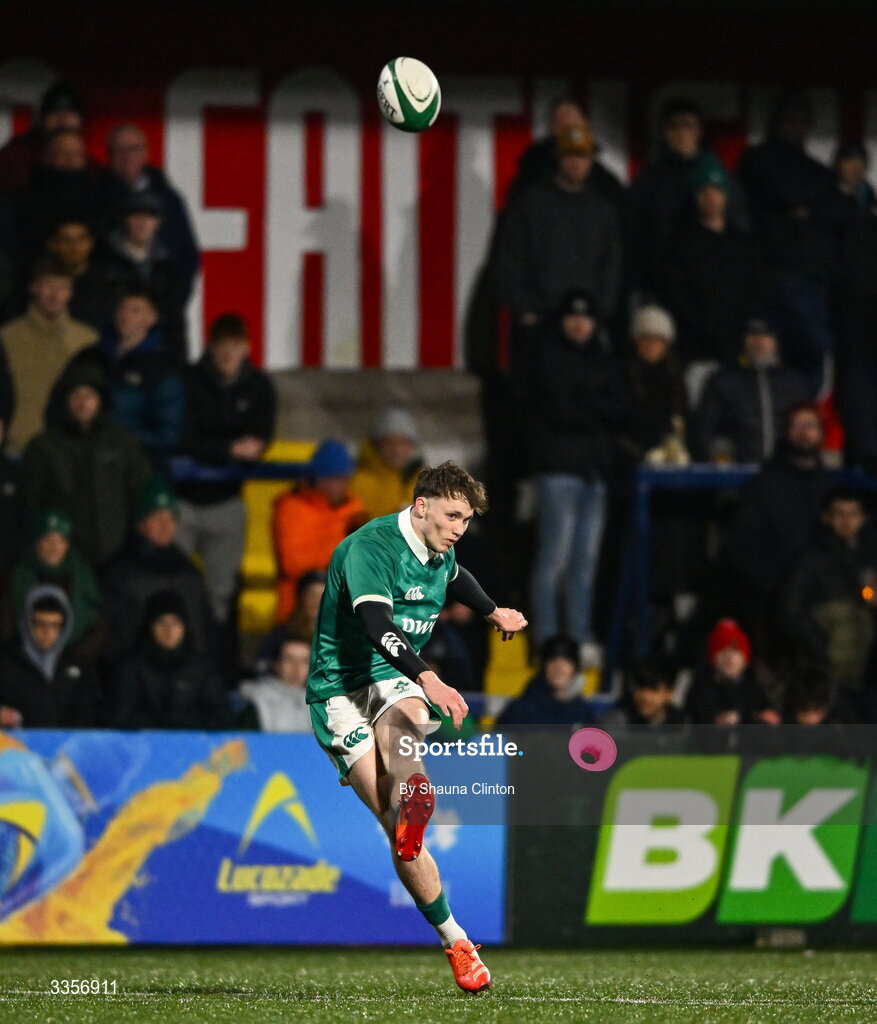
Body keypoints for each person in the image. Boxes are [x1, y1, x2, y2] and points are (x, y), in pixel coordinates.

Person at [307, 461, 526, 991]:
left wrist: (491, 611)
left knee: (404, 730)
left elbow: (456, 579)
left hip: (394, 679)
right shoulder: (372, 547)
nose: (458, 529)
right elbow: (377, 624)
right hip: (339, 689)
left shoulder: (439, 549)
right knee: (395, 826)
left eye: (467, 521)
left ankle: (416, 797)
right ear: (421, 506)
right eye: (453, 516)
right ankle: (453, 933)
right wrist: (430, 678)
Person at [526, 289, 629, 653]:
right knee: (555, 557)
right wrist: (595, 408)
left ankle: (578, 638)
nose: (579, 324)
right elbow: (555, 407)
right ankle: (548, 640)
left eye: (586, 317)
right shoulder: (548, 356)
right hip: (558, 470)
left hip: (594, 472)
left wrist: (588, 406)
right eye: (573, 316)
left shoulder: (602, 357)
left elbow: (620, 407)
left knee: (585, 562)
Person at [738, 91, 853, 390]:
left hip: (817, 281)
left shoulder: (817, 170)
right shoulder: (757, 158)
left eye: (801, 119)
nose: (795, 125)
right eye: (788, 118)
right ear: (776, 121)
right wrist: (812, 208)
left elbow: (842, 210)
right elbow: (784, 195)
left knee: (812, 352)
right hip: (774, 275)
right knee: (769, 359)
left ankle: (802, 425)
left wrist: (808, 210)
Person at [176, 312, 276, 623]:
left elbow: (261, 436)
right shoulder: (187, 382)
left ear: (246, 348)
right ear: (210, 347)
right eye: (222, 345)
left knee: (221, 593)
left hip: (227, 502)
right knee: (175, 589)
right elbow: (181, 437)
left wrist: (250, 448)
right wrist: (228, 449)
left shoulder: (258, 386)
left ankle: (216, 662)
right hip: (182, 500)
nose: (228, 353)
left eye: (235, 345)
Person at [20, 364, 151, 567]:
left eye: (89, 395)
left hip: (119, 556)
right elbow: (31, 501)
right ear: (64, 401)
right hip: (64, 558)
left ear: (100, 400)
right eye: (76, 396)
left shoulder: (122, 442)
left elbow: (141, 492)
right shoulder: (44, 446)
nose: (82, 403)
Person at [627, 97, 749, 294]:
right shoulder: (649, 180)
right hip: (661, 283)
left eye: (687, 125)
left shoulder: (718, 176)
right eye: (672, 126)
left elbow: (739, 231)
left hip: (712, 279)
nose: (681, 133)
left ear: (699, 130)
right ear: (664, 132)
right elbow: (634, 234)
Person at [655, 156, 768, 365]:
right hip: (694, 346)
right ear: (695, 196)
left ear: (726, 195)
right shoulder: (680, 244)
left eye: (716, 190)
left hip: (737, 345)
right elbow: (675, 295)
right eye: (704, 191)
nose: (711, 197)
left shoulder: (743, 245)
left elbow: (756, 291)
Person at [100, 477, 217, 666]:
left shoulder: (188, 572)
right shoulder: (119, 572)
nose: (166, 526)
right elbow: (113, 641)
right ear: (140, 523)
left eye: (171, 518)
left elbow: (202, 634)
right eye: (157, 518)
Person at [63, 289, 183, 466]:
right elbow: (59, 402)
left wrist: (115, 438)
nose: (125, 315)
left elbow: (168, 433)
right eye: (121, 308)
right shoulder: (89, 357)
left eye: (135, 310)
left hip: (137, 466)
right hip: (83, 462)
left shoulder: (162, 369)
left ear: (151, 319)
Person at [783, 489, 877, 713]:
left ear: (863, 518)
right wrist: (822, 647)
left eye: (853, 514)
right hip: (826, 675)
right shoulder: (811, 560)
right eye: (839, 514)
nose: (846, 521)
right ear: (827, 517)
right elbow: (790, 610)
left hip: (866, 670)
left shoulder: (869, 556)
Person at [0, 258, 97, 454]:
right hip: (17, 447)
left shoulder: (88, 339)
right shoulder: (7, 337)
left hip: (73, 450)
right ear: (33, 288)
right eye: (48, 286)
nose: (55, 294)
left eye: (63, 287)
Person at [102, 124, 200, 301]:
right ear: (109, 156)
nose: (127, 156)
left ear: (145, 152)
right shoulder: (96, 198)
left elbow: (187, 254)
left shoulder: (169, 199)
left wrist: (174, 303)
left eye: (134, 149)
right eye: (120, 150)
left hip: (164, 309)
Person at [693, 319, 810, 463]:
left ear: (776, 341)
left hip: (784, 474)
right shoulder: (723, 380)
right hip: (737, 475)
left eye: (766, 335)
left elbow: (808, 426)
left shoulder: (792, 383)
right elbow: (705, 428)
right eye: (752, 335)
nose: (759, 341)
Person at [109, 589, 228, 730]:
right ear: (150, 627)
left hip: (195, 748)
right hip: (144, 748)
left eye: (176, 623)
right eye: (161, 622)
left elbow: (222, 717)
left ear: (184, 627)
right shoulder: (131, 667)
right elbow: (120, 717)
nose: (169, 630)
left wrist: (186, 727)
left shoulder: (202, 668)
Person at [273, 440, 365, 622]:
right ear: (316, 478)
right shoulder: (292, 507)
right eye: (331, 478)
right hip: (297, 609)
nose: (338, 485)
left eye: (343, 479)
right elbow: (294, 563)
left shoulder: (354, 508)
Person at [92, 192, 187, 366]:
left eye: (150, 217)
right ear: (125, 219)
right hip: (110, 354)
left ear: (158, 223)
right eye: (137, 216)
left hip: (158, 358)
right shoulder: (102, 259)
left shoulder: (167, 267)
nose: (143, 223)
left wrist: (179, 362)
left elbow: (176, 320)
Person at [9, 508, 103, 660]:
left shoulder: (82, 574)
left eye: (60, 541)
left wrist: (77, 656)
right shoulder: (20, 575)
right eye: (48, 540)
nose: (54, 548)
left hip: (76, 658)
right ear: (38, 542)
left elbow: (97, 619)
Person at [0, 584, 97, 728]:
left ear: (65, 627)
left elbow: (90, 719)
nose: (47, 632)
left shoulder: (78, 666)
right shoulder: (6, 664)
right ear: (26, 623)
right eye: (40, 624)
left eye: (54, 625)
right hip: (17, 747)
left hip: (67, 748)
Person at [509, 97, 624, 209]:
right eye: (560, 121)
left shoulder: (604, 181)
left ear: (585, 123)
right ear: (551, 127)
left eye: (572, 122)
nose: (568, 127)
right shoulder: (532, 172)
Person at [685, 619, 779, 726]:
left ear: (744, 658)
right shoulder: (700, 689)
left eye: (735, 651)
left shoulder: (755, 689)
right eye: (723, 651)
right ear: (714, 658)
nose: (730, 658)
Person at [0, 81, 85, 194]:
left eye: (70, 114)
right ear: (41, 119)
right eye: (54, 113)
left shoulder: (90, 165)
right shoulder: (14, 155)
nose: (62, 120)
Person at [496, 634, 593, 726]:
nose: (559, 668)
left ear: (575, 668)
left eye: (566, 662)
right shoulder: (520, 710)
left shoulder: (583, 713)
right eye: (553, 661)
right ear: (544, 668)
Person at [349, 407, 424, 521]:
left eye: (403, 442)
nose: (396, 449)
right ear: (377, 445)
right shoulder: (358, 482)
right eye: (389, 442)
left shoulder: (425, 481)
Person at [44, 216, 111, 330]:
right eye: (66, 240)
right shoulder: (40, 284)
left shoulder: (108, 282)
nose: (74, 247)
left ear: (90, 243)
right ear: (52, 244)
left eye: (81, 239)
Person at [254, 569, 326, 676]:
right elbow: (262, 666)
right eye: (312, 595)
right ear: (302, 598)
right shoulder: (282, 634)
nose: (317, 601)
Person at [239, 636, 312, 732]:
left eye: (304, 661)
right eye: (290, 659)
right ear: (276, 664)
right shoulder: (255, 699)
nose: (297, 667)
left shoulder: (323, 701)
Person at [601, 661, 686, 726]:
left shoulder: (682, 723)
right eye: (640, 687)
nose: (645, 696)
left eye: (653, 690)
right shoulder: (618, 721)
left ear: (669, 693)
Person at [834, 140, 876, 210]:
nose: (856, 170)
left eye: (860, 164)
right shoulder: (826, 189)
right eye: (850, 163)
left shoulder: (866, 191)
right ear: (839, 164)